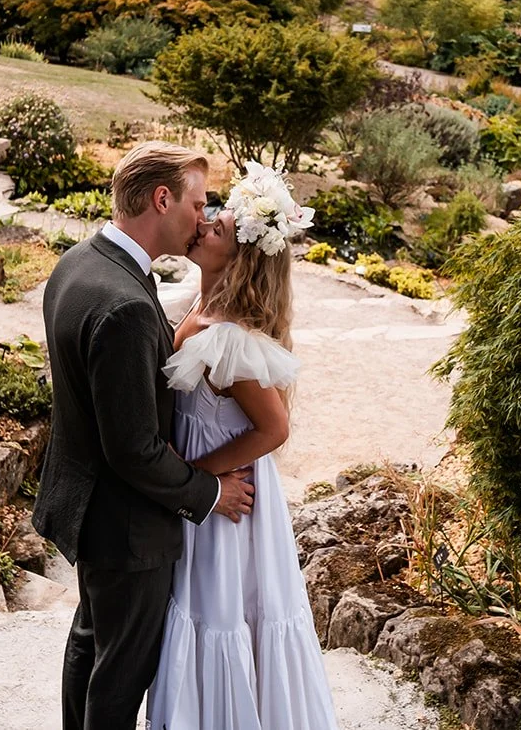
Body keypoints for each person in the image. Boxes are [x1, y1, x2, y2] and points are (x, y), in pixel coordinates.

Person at [33, 141, 257, 730]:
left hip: (86, 503)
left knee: (91, 641)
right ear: (163, 199)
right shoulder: (126, 304)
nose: (203, 217)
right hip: (126, 525)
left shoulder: (79, 261)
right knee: (123, 672)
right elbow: (133, 448)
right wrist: (210, 493)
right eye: (197, 202)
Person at [147, 162, 338, 730]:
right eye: (209, 217)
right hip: (205, 502)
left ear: (240, 257)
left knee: (224, 610)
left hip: (228, 509)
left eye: (219, 229)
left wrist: (197, 478)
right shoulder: (198, 308)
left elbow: (274, 429)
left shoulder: (230, 338)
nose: (203, 225)